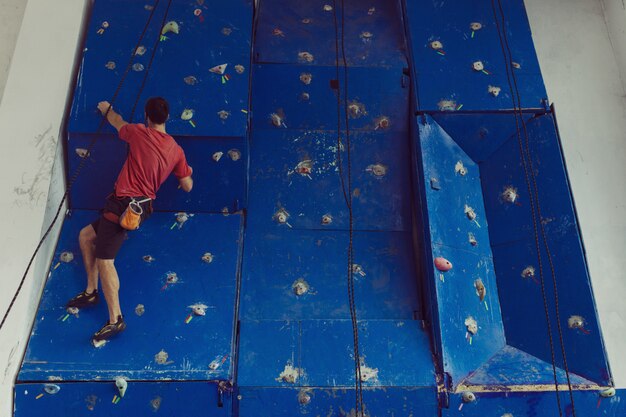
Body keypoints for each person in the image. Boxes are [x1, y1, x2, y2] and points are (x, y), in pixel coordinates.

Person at [66, 97, 193, 344]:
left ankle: (116, 320)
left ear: (147, 115)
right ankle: (92, 292)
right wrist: (185, 175)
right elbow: (187, 185)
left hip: (124, 205)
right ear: (167, 118)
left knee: (105, 261)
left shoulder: (138, 133)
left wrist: (105, 108)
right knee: (86, 236)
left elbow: (116, 121)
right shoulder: (176, 150)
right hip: (137, 206)